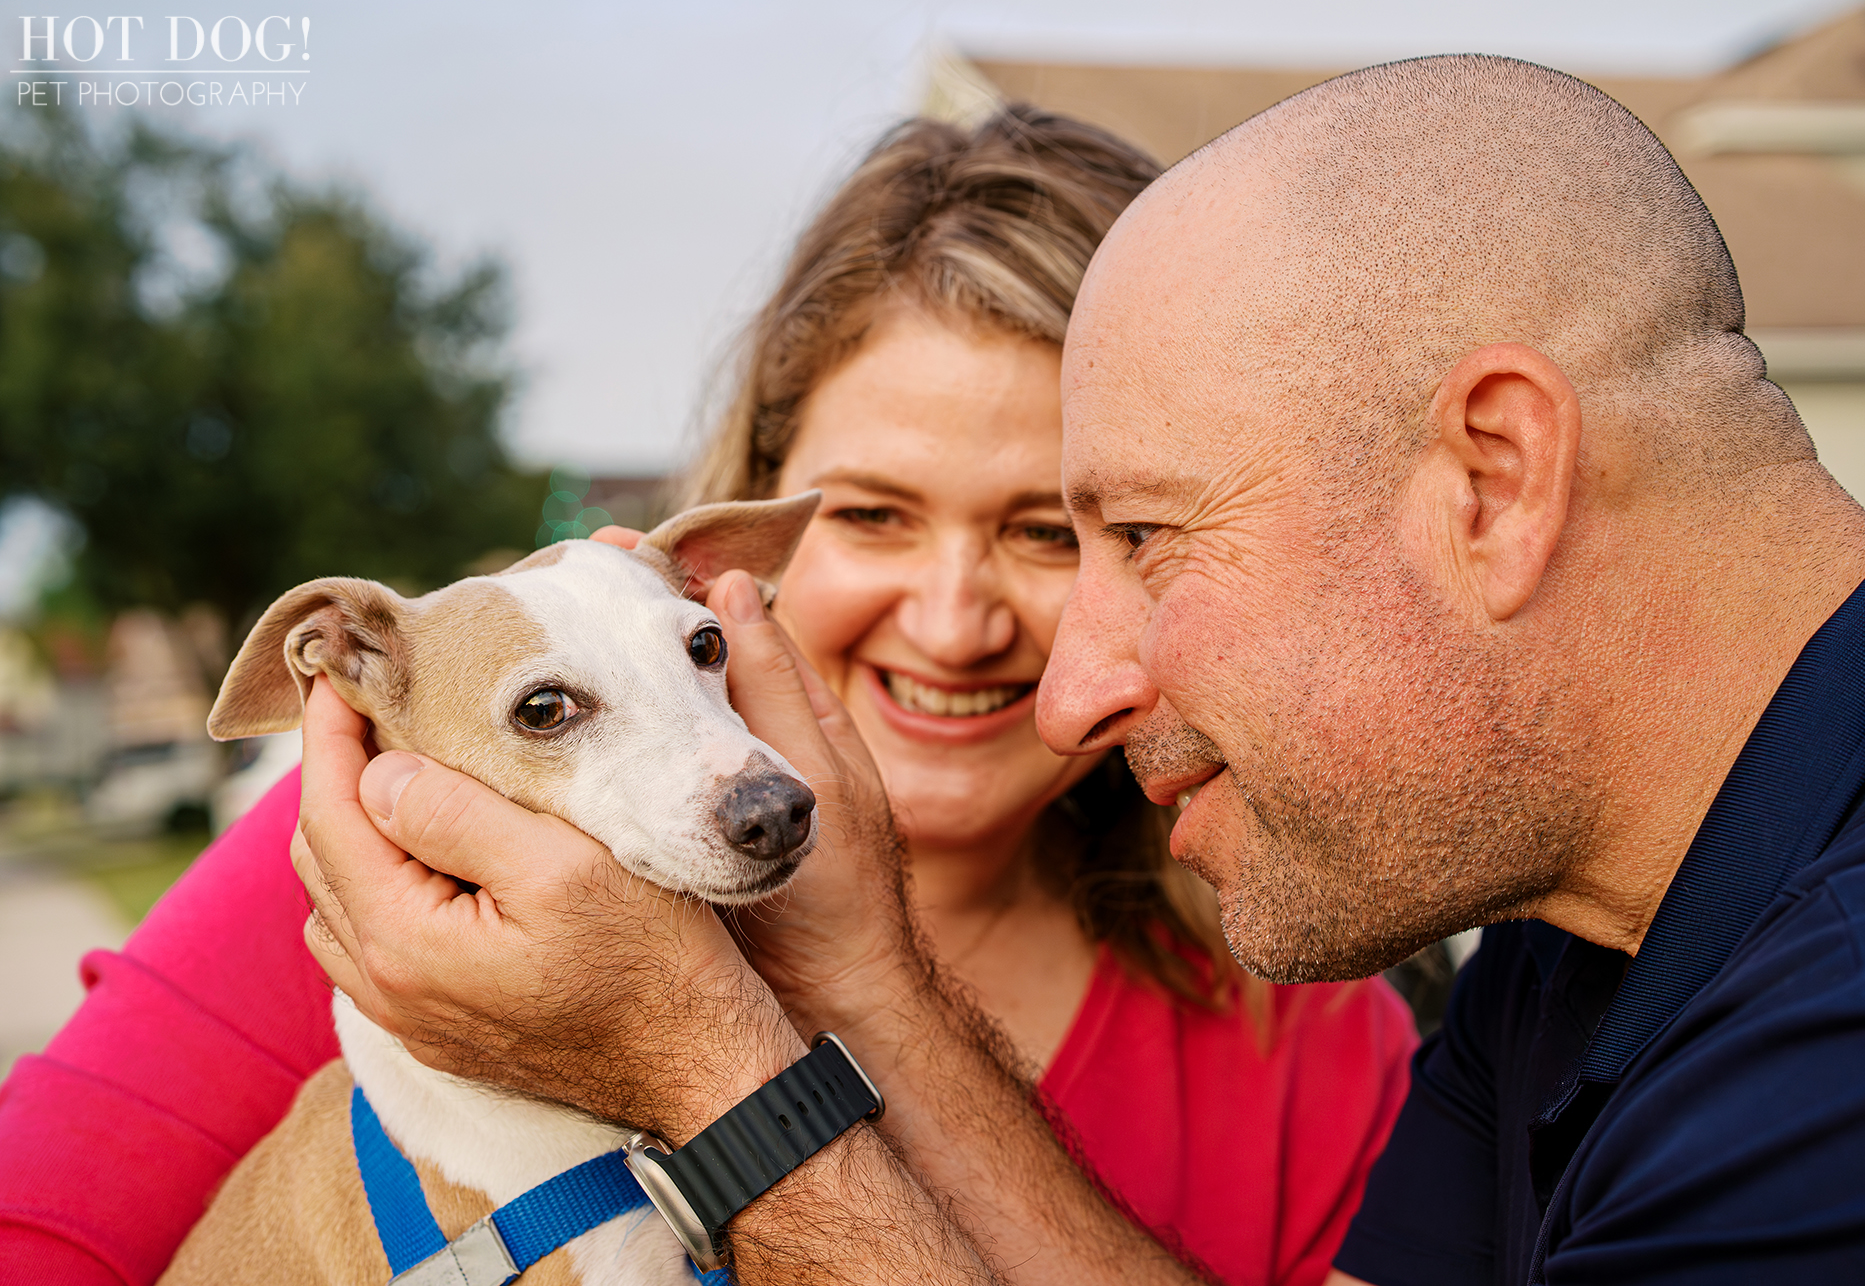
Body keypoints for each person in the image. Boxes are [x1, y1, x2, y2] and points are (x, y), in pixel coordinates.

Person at [243, 52, 1865, 1285]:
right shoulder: (1580, 927)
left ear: (1493, 480)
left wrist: (722, 1077)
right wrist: (869, 980)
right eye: (878, 515)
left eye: (1129, 536)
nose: (1064, 685)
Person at [0, 108, 1415, 1286]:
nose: (954, 616)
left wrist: (798, 1022)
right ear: (739, 544)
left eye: (1052, 527)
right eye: (867, 513)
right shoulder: (409, 869)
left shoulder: (1312, 1032)